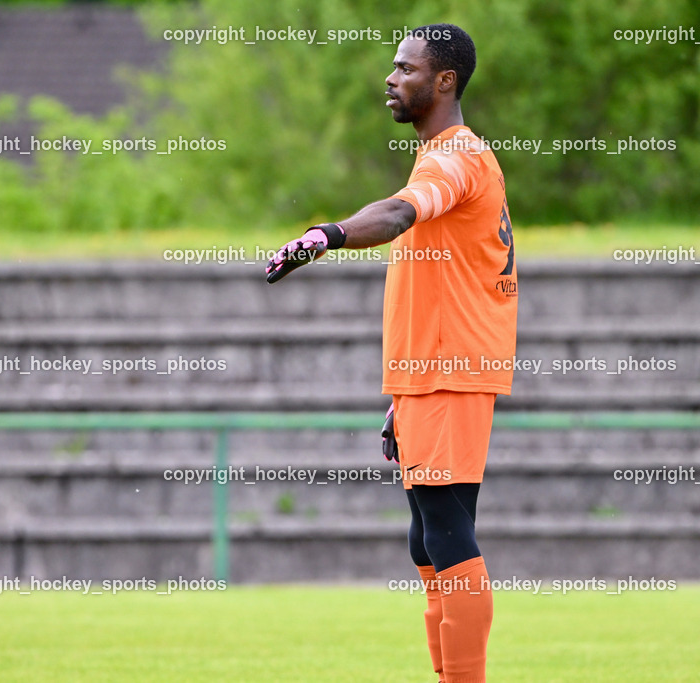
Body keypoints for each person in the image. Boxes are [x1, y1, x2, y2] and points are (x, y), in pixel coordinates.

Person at [265, 23, 517, 683]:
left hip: (450, 371)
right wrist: (400, 396)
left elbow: (400, 214)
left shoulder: (454, 159)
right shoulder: (446, 155)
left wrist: (330, 233)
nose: (390, 77)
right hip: (428, 376)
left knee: (447, 527)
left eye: (404, 68)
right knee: (428, 535)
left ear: (444, 81)